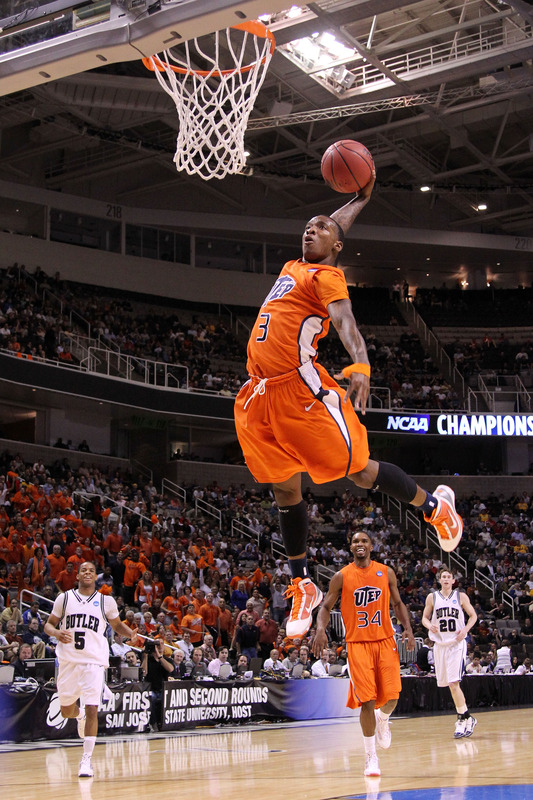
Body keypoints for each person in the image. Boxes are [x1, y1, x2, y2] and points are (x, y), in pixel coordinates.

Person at [234, 176, 463, 639]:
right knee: (283, 488)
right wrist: (359, 198)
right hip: (256, 394)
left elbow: (345, 321)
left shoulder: (327, 276)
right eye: (308, 225)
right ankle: (303, 584)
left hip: (300, 389)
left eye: (320, 228)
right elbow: (334, 226)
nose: (310, 229)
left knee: (358, 471)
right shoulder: (295, 265)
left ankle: (434, 507)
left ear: (336, 247)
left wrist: (360, 361)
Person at [313, 530, 415, 777]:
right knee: (367, 701)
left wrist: (408, 629)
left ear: (371, 546)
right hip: (358, 644)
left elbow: (398, 603)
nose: (360, 544)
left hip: (385, 640)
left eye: (364, 541)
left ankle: (383, 719)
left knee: (392, 697)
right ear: (350, 548)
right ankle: (371, 756)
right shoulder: (341, 576)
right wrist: (320, 630)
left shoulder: (386, 572)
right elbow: (325, 606)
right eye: (355, 541)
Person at [44, 561, 138, 778]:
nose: (87, 573)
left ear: (96, 577)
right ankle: (79, 716)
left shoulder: (106, 601)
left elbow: (116, 625)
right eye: (83, 570)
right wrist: (56, 633)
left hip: (94, 662)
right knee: (66, 710)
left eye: (91, 571)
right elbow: (48, 624)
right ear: (77, 576)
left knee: (93, 709)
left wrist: (130, 633)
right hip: (69, 662)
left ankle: (86, 760)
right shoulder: (64, 598)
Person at [422, 568, 478, 740]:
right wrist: (429, 626)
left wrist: (465, 630)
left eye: (449, 577)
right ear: (439, 580)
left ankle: (461, 719)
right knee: (449, 685)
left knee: (454, 683)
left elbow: (473, 616)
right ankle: (467, 717)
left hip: (456, 644)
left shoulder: (461, 596)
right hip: (440, 645)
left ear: (453, 581)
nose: (446, 579)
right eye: (443, 577)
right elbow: (424, 617)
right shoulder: (432, 597)